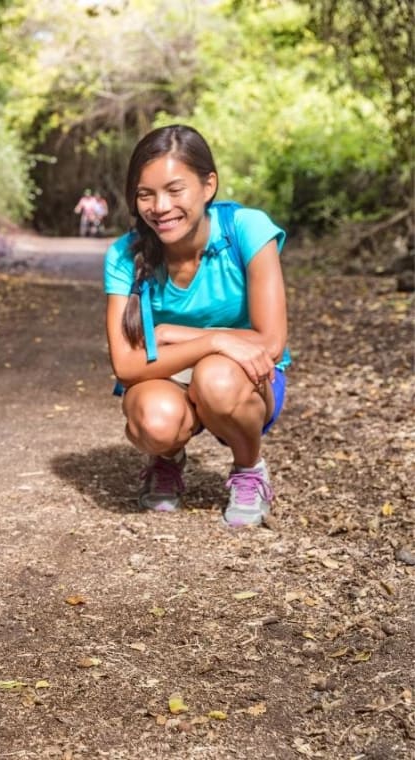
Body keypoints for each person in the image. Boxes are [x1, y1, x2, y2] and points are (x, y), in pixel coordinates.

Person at [102, 124, 289, 527]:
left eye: (175, 190)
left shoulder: (247, 229)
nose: (160, 206)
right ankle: (166, 458)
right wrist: (216, 339)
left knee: (215, 379)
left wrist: (177, 335)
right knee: (155, 420)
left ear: (208, 186)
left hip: (241, 378)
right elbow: (127, 366)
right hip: (164, 375)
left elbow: (270, 342)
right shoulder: (123, 255)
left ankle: (248, 468)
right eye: (145, 194)